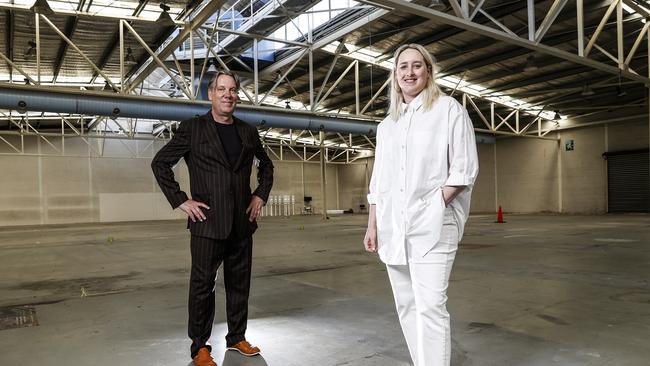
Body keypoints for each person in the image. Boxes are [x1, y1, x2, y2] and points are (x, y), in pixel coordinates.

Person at [363, 44, 479, 366]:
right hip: (392, 227)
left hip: (434, 225)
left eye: (417, 65)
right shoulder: (388, 125)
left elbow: (464, 169)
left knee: (430, 307)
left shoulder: (448, 110)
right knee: (407, 306)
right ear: (395, 74)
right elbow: (379, 182)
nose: (409, 72)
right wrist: (373, 225)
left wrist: (434, 205)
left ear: (428, 71)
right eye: (403, 66)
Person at [151, 70, 273, 366]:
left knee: (239, 284)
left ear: (236, 95)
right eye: (221, 89)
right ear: (211, 94)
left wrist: (260, 195)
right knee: (202, 286)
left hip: (242, 223)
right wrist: (181, 200)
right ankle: (199, 347)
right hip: (207, 223)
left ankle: (237, 337)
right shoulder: (193, 129)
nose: (227, 94)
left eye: (232, 90)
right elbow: (160, 163)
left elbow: (266, 165)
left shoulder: (247, 131)